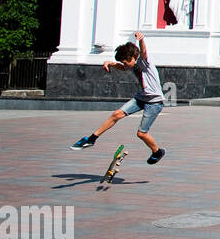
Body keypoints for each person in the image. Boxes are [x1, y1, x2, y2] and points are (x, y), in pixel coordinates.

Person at [70, 31, 167, 164]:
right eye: (123, 62)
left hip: (154, 102)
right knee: (116, 114)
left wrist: (141, 40)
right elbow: (122, 68)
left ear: (133, 58)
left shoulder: (145, 62)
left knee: (141, 134)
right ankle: (91, 139)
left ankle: (157, 151)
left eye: (126, 62)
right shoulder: (131, 65)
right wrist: (110, 63)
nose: (125, 65)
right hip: (141, 98)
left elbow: (143, 52)